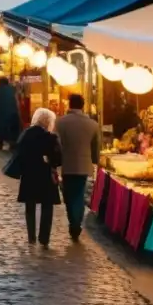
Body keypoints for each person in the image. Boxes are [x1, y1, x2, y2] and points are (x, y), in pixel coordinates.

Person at [54, 94, 101, 241]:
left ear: (69, 104)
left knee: (68, 195)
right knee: (79, 194)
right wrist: (95, 161)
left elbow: (56, 144)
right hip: (84, 165)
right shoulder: (92, 124)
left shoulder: (60, 122)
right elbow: (96, 148)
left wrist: (55, 162)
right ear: (83, 105)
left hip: (67, 164)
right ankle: (76, 223)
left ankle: (73, 222)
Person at [14, 108, 63, 247]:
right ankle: (44, 238)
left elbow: (19, 153)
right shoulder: (51, 137)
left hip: (29, 174)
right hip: (46, 175)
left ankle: (31, 236)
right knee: (47, 206)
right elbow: (58, 159)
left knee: (30, 205)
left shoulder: (25, 134)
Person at [0, 77, 21, 150]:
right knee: (12, 128)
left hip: (2, 112)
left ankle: (1, 143)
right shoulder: (13, 89)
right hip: (14, 112)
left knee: (1, 127)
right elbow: (17, 99)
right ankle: (12, 143)